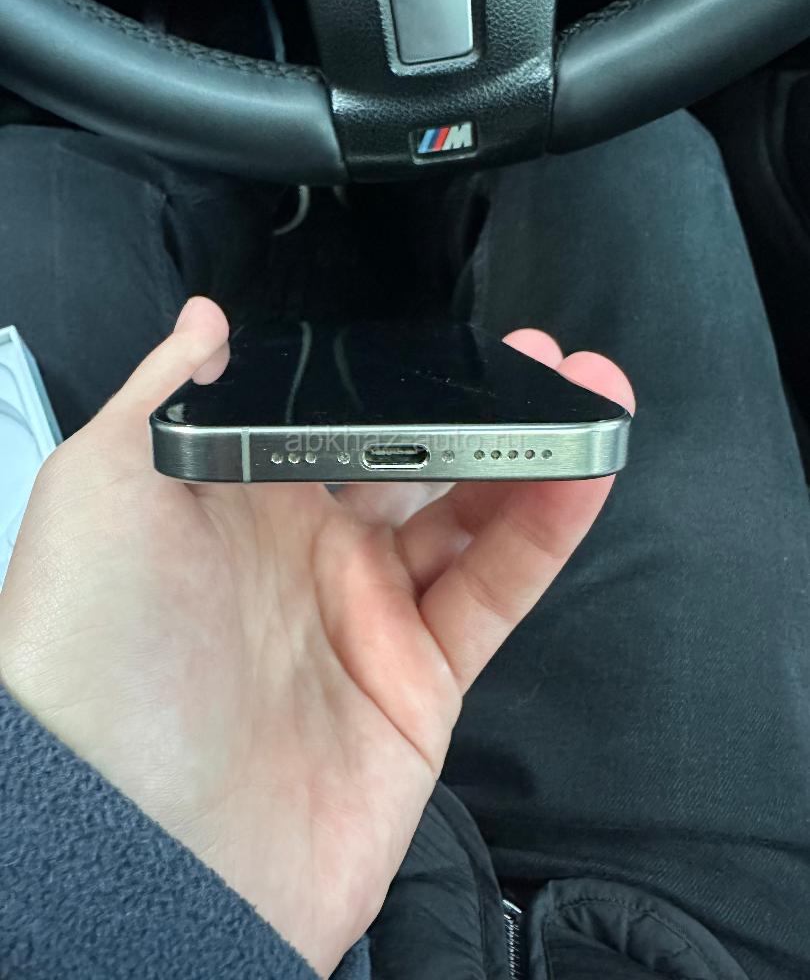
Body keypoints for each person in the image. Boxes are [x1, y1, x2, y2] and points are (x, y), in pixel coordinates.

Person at [0, 112, 807, 980]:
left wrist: (110, 884)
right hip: (675, 937)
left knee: (35, 169)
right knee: (631, 145)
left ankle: (264, 191)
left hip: (261, 870)